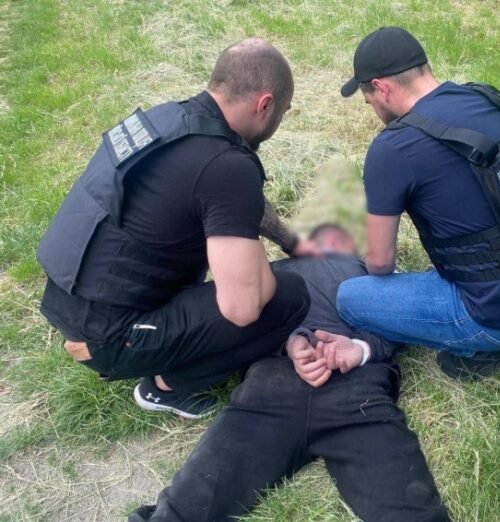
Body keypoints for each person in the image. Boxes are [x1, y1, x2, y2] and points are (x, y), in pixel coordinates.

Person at [36, 39, 314, 419]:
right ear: (265, 105)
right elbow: (243, 308)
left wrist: (290, 240)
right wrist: (261, 274)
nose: (279, 122)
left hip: (71, 300)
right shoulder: (228, 165)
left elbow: (231, 200)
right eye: (283, 112)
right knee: (288, 297)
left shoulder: (167, 120)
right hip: (113, 338)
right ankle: (165, 386)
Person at [129, 224, 451, 522]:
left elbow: (404, 323)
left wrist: (358, 348)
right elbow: (237, 322)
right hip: (274, 386)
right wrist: (292, 342)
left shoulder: (369, 274)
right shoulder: (269, 273)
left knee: (412, 510)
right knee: (188, 503)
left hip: (354, 392)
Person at [337, 27, 500, 380]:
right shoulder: (484, 97)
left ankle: (481, 351)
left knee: (350, 297)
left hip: (495, 317)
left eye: (370, 102)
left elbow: (381, 263)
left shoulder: (393, 147)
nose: (374, 111)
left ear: (381, 88)